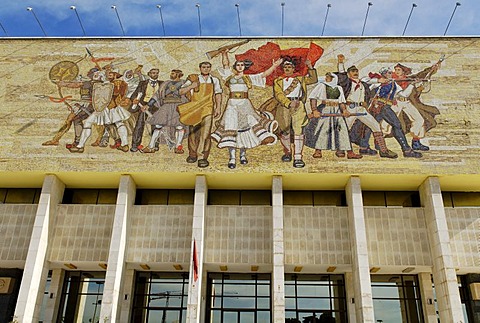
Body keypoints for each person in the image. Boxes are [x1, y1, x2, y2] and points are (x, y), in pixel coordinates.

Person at [211, 50, 281, 169]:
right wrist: (224, 54)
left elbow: (263, 75)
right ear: (235, 66)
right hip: (232, 105)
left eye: (242, 65)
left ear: (244, 67)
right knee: (231, 128)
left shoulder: (248, 78)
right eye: (238, 65)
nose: (239, 66)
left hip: (245, 105)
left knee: (245, 129)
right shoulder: (230, 76)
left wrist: (274, 66)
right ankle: (232, 158)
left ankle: (243, 155)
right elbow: (225, 65)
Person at [336, 55, 397, 158]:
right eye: (352, 71)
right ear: (348, 74)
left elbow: (370, 81)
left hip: (361, 109)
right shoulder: (347, 83)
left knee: (376, 126)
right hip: (349, 108)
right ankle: (341, 149)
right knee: (345, 129)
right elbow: (342, 74)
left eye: (356, 71)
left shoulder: (363, 83)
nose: (355, 73)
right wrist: (341, 62)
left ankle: (383, 150)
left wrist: (380, 81)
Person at [358, 67, 422, 158]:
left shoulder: (393, 84)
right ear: (383, 74)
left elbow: (403, 95)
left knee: (371, 126)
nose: (391, 74)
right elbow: (363, 80)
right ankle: (406, 150)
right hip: (378, 107)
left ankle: (363, 147)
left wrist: (411, 85)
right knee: (396, 125)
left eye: (390, 72)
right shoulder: (377, 83)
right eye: (388, 73)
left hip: (385, 107)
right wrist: (378, 80)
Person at [68, 70, 131, 153]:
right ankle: (125, 145)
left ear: (115, 75)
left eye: (111, 73)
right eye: (109, 73)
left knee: (88, 123)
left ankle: (80, 146)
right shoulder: (108, 84)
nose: (109, 75)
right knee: (119, 123)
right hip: (107, 107)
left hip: (107, 108)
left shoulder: (117, 83)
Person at [272, 57, 318, 168]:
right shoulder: (278, 80)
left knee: (298, 131)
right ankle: (287, 152)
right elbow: (278, 94)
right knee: (284, 131)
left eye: (290, 67)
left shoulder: (300, 79)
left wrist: (310, 67)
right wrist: (288, 103)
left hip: (298, 105)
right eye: (285, 67)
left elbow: (313, 79)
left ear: (293, 68)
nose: (287, 69)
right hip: (284, 106)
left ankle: (298, 157)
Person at [305, 72, 362, 159]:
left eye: (329, 77)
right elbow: (313, 98)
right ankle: (318, 151)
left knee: (342, 130)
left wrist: (344, 110)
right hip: (325, 109)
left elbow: (341, 102)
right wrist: (314, 110)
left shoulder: (339, 88)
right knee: (322, 130)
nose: (327, 78)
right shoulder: (321, 86)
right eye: (326, 76)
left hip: (337, 110)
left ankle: (349, 152)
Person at [178, 61, 223, 168]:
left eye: (208, 67)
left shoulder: (214, 80)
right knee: (193, 132)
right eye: (204, 67)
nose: (206, 69)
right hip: (195, 109)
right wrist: (191, 86)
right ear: (200, 68)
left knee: (206, 133)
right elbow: (181, 91)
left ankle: (202, 157)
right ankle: (192, 154)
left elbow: (218, 94)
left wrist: (218, 107)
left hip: (208, 108)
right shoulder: (193, 78)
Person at [390, 61, 441, 150]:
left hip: (406, 102)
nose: (396, 71)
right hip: (395, 103)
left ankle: (416, 142)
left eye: (399, 70)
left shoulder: (409, 79)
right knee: (387, 122)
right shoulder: (391, 79)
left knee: (419, 120)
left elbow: (421, 74)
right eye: (395, 70)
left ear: (404, 71)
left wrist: (432, 69)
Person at [141, 69, 195, 154]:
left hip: (178, 107)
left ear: (178, 74)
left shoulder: (184, 83)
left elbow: (189, 94)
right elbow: (157, 95)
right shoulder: (166, 83)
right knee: (158, 126)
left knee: (179, 127)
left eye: (173, 73)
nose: (171, 74)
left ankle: (178, 147)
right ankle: (151, 146)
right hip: (166, 106)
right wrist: (148, 105)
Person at [42, 67, 97, 148]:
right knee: (75, 120)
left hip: (88, 105)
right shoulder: (89, 82)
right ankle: (73, 141)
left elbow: (75, 84)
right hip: (85, 105)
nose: (88, 74)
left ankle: (58, 140)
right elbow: (76, 83)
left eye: (90, 73)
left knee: (71, 119)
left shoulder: (90, 83)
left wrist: (63, 84)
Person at [129, 68, 163, 152]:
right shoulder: (143, 83)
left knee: (156, 126)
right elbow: (134, 95)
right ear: (149, 74)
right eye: (153, 73)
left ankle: (154, 145)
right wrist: (134, 99)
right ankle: (135, 145)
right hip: (143, 105)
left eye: (156, 73)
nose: (155, 74)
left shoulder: (162, 83)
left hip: (157, 106)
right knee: (140, 125)